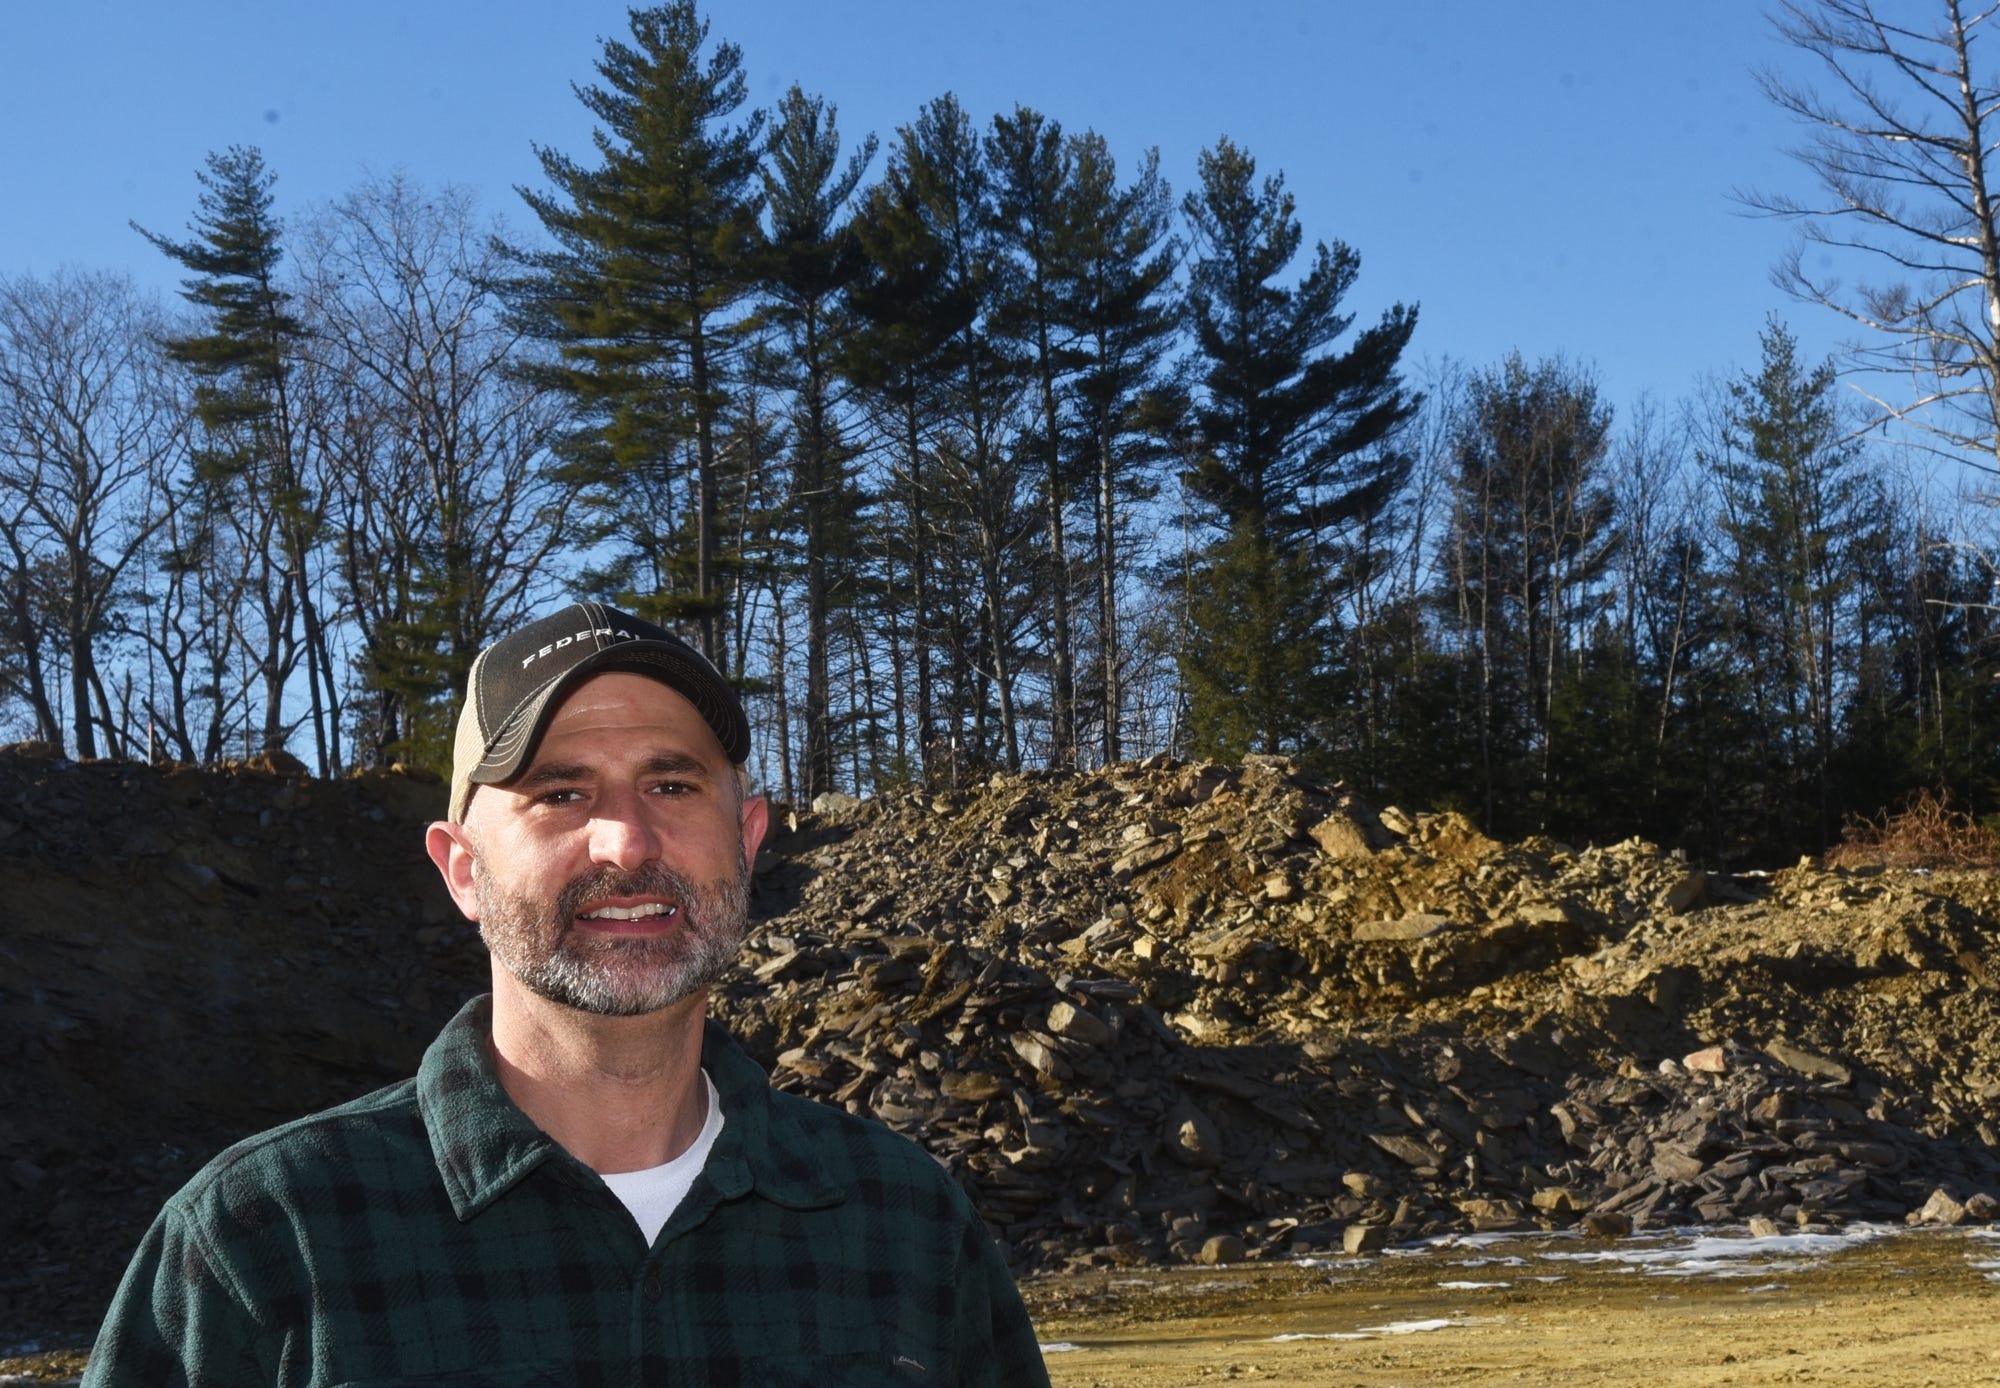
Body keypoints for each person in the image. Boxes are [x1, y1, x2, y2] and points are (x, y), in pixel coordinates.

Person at [82, 600, 1051, 1387]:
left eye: (671, 784)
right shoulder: (264, 1241)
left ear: (748, 838)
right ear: (461, 869)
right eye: (559, 793)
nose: (624, 843)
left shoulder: (902, 1223)